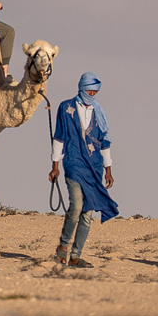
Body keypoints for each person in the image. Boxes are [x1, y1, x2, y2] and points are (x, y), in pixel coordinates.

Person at [49, 72, 119, 267]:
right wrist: (55, 166)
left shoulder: (99, 113)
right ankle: (63, 247)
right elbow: (59, 138)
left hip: (94, 167)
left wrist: (108, 169)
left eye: (95, 91)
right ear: (81, 88)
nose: (92, 93)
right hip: (72, 163)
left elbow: (105, 142)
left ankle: (75, 256)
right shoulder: (66, 108)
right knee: (77, 206)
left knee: (87, 214)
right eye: (89, 90)